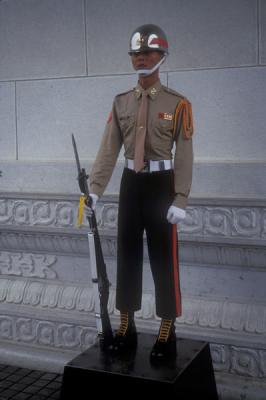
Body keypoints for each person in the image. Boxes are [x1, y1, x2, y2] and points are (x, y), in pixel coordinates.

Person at [87, 24, 194, 361]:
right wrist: (94, 190)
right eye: (135, 53)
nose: (140, 59)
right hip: (131, 185)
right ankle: (126, 324)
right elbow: (108, 150)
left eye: (147, 52)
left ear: (162, 56)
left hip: (162, 187)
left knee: (165, 260)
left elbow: (186, 152)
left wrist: (181, 197)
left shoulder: (178, 104)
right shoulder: (121, 103)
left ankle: (167, 327)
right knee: (127, 256)